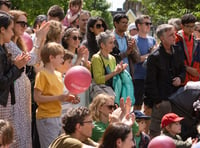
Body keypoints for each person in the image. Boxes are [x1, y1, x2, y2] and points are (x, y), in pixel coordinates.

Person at [4, 10, 49, 148]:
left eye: (26, 23)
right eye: (20, 23)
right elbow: (31, 60)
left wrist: (42, 39)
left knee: (24, 128)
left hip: (23, 91)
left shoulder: (19, 43)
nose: (24, 26)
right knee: (17, 129)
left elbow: (37, 59)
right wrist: (39, 38)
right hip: (14, 91)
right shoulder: (7, 44)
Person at [34, 42, 80, 148]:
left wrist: (69, 98)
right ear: (51, 58)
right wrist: (59, 98)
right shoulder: (42, 74)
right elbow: (37, 98)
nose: (62, 60)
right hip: (46, 118)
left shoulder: (59, 75)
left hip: (58, 117)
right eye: (60, 57)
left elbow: (59, 97)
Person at [144, 24, 186, 138]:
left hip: (177, 98)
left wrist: (180, 78)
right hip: (162, 100)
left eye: (174, 34)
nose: (174, 37)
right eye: (170, 35)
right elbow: (150, 82)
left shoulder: (177, 50)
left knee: (175, 132)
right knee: (156, 131)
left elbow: (183, 69)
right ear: (162, 38)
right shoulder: (154, 56)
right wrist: (157, 101)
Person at [133, 15, 156, 110]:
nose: (149, 26)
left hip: (150, 77)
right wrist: (151, 53)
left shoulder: (152, 40)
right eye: (146, 23)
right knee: (137, 105)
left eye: (150, 23)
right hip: (137, 77)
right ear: (139, 25)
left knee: (149, 106)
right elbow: (137, 59)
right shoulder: (133, 40)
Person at [176, 13, 200, 85]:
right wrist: (186, 68)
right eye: (188, 26)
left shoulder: (197, 42)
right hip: (180, 81)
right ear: (182, 26)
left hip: (195, 81)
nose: (191, 29)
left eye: (193, 26)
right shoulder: (176, 40)